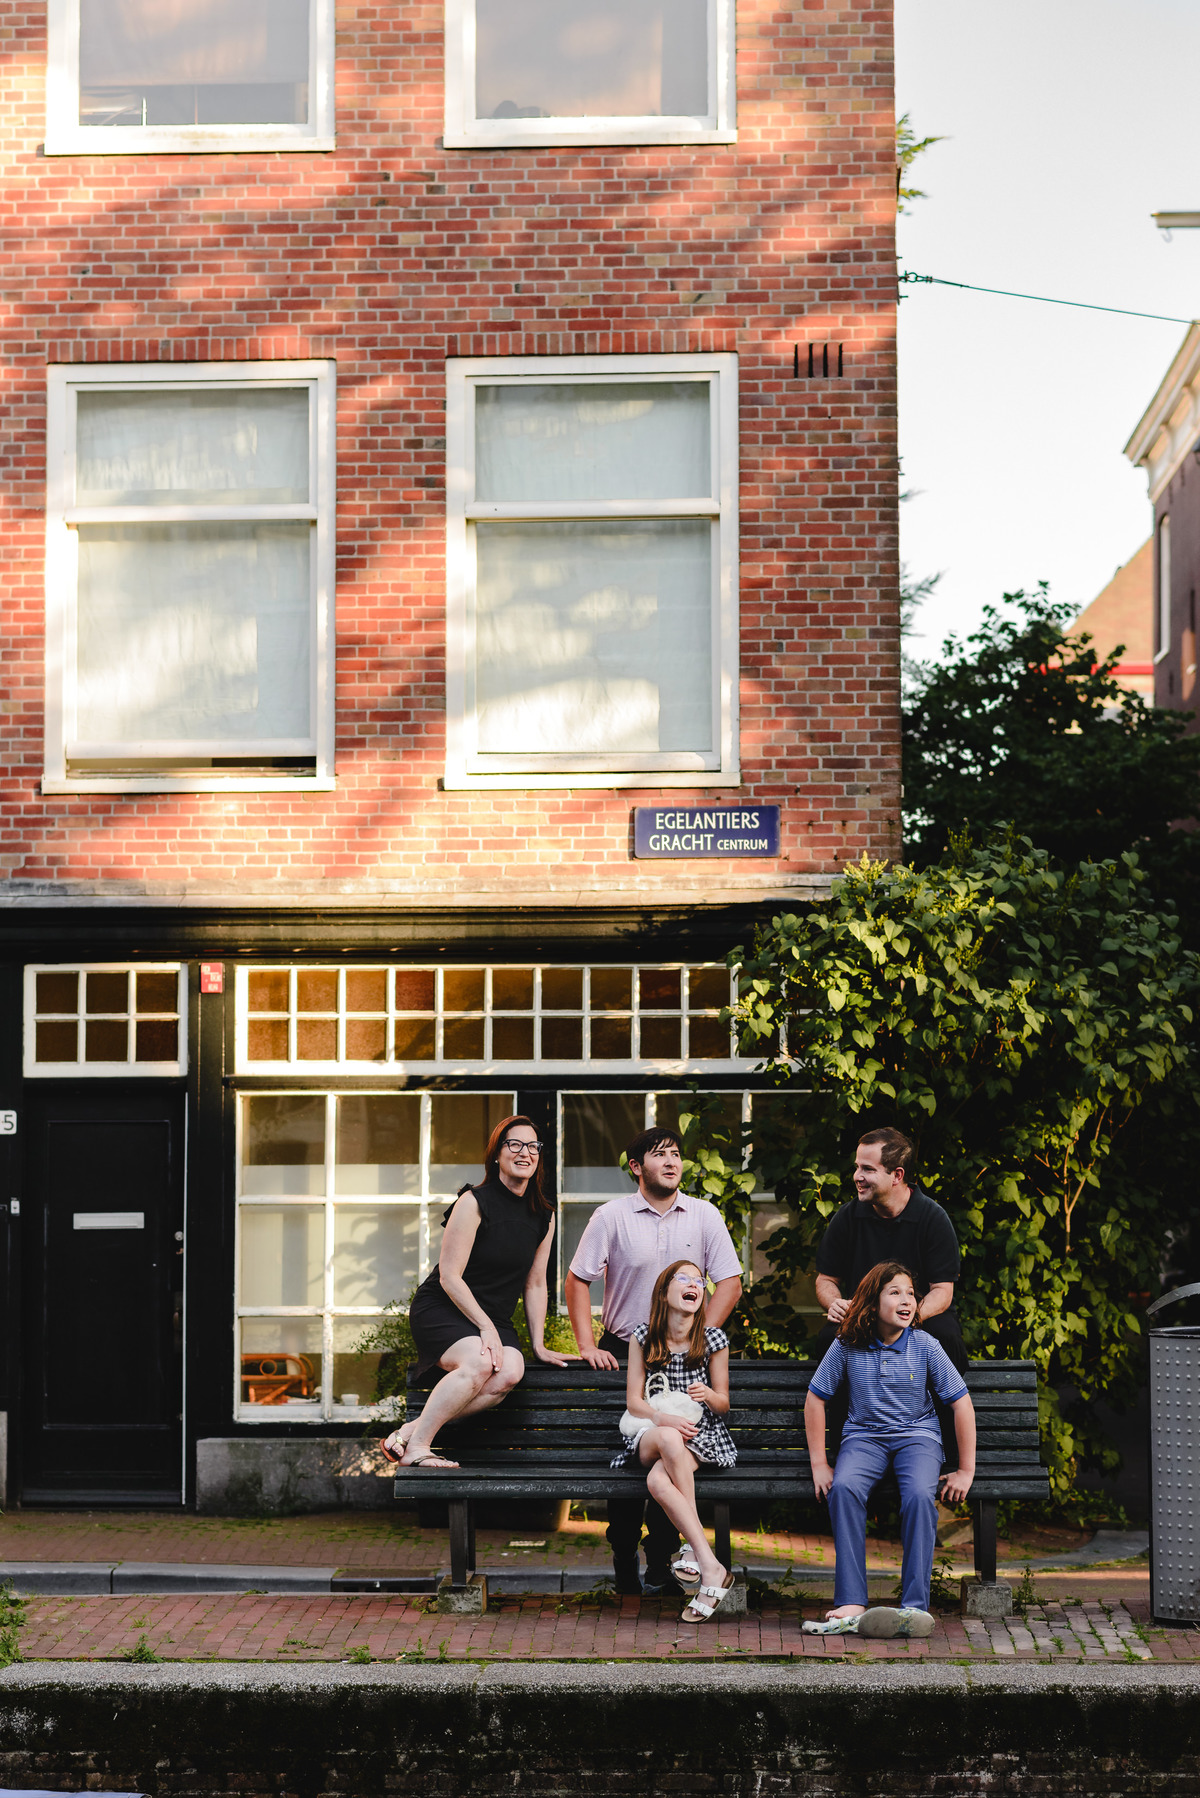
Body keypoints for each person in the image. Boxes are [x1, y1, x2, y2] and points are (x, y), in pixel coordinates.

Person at [565, 1126, 743, 1595]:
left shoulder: (704, 1215)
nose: (671, 1162)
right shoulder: (611, 1216)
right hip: (626, 1352)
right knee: (626, 1469)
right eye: (659, 1155)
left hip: (685, 1357)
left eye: (677, 1154)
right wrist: (587, 1344)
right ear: (636, 1167)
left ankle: (664, 1568)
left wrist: (700, 1336)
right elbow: (578, 1279)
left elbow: (729, 1282)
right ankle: (625, 1564)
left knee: (674, 1451)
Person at [380, 1114, 574, 1469]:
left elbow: (534, 1284)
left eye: (533, 1146)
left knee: (509, 1373)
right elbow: (451, 1277)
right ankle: (419, 1447)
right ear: (497, 1154)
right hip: (444, 1307)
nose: (524, 1153)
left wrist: (539, 1344)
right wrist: (486, 1328)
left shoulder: (544, 1215)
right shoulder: (473, 1202)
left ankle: (409, 1430)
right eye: (514, 1144)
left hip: (492, 1318)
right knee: (481, 1361)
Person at [801, 1260, 976, 1637]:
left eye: (911, 1293)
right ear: (871, 1301)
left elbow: (961, 1403)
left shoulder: (927, 1345)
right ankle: (851, 1600)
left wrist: (966, 1470)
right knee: (844, 1489)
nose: (907, 1299)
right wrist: (819, 1463)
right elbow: (815, 1399)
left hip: (918, 1438)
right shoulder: (847, 1345)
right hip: (864, 1438)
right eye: (895, 1292)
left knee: (917, 1496)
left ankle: (914, 1606)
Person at [611, 1259, 737, 1624]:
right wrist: (662, 1418)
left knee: (656, 1481)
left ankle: (708, 1564)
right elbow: (634, 1401)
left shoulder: (713, 1339)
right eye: (684, 1278)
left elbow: (724, 1403)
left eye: (700, 1280)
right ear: (665, 1292)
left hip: (699, 1434)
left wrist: (708, 1395)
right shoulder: (643, 1336)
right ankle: (698, 1553)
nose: (694, 1284)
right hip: (652, 1429)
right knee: (667, 1436)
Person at [814, 1127, 967, 1372]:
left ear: (897, 1175)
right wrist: (836, 1303)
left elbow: (942, 1292)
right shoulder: (847, 1217)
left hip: (920, 1317)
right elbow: (826, 1280)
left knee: (946, 1338)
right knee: (828, 1340)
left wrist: (903, 1318)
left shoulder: (932, 1218)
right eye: (857, 1167)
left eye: (868, 1169)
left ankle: (942, 1411)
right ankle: (842, 1412)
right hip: (864, 1316)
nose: (857, 1176)